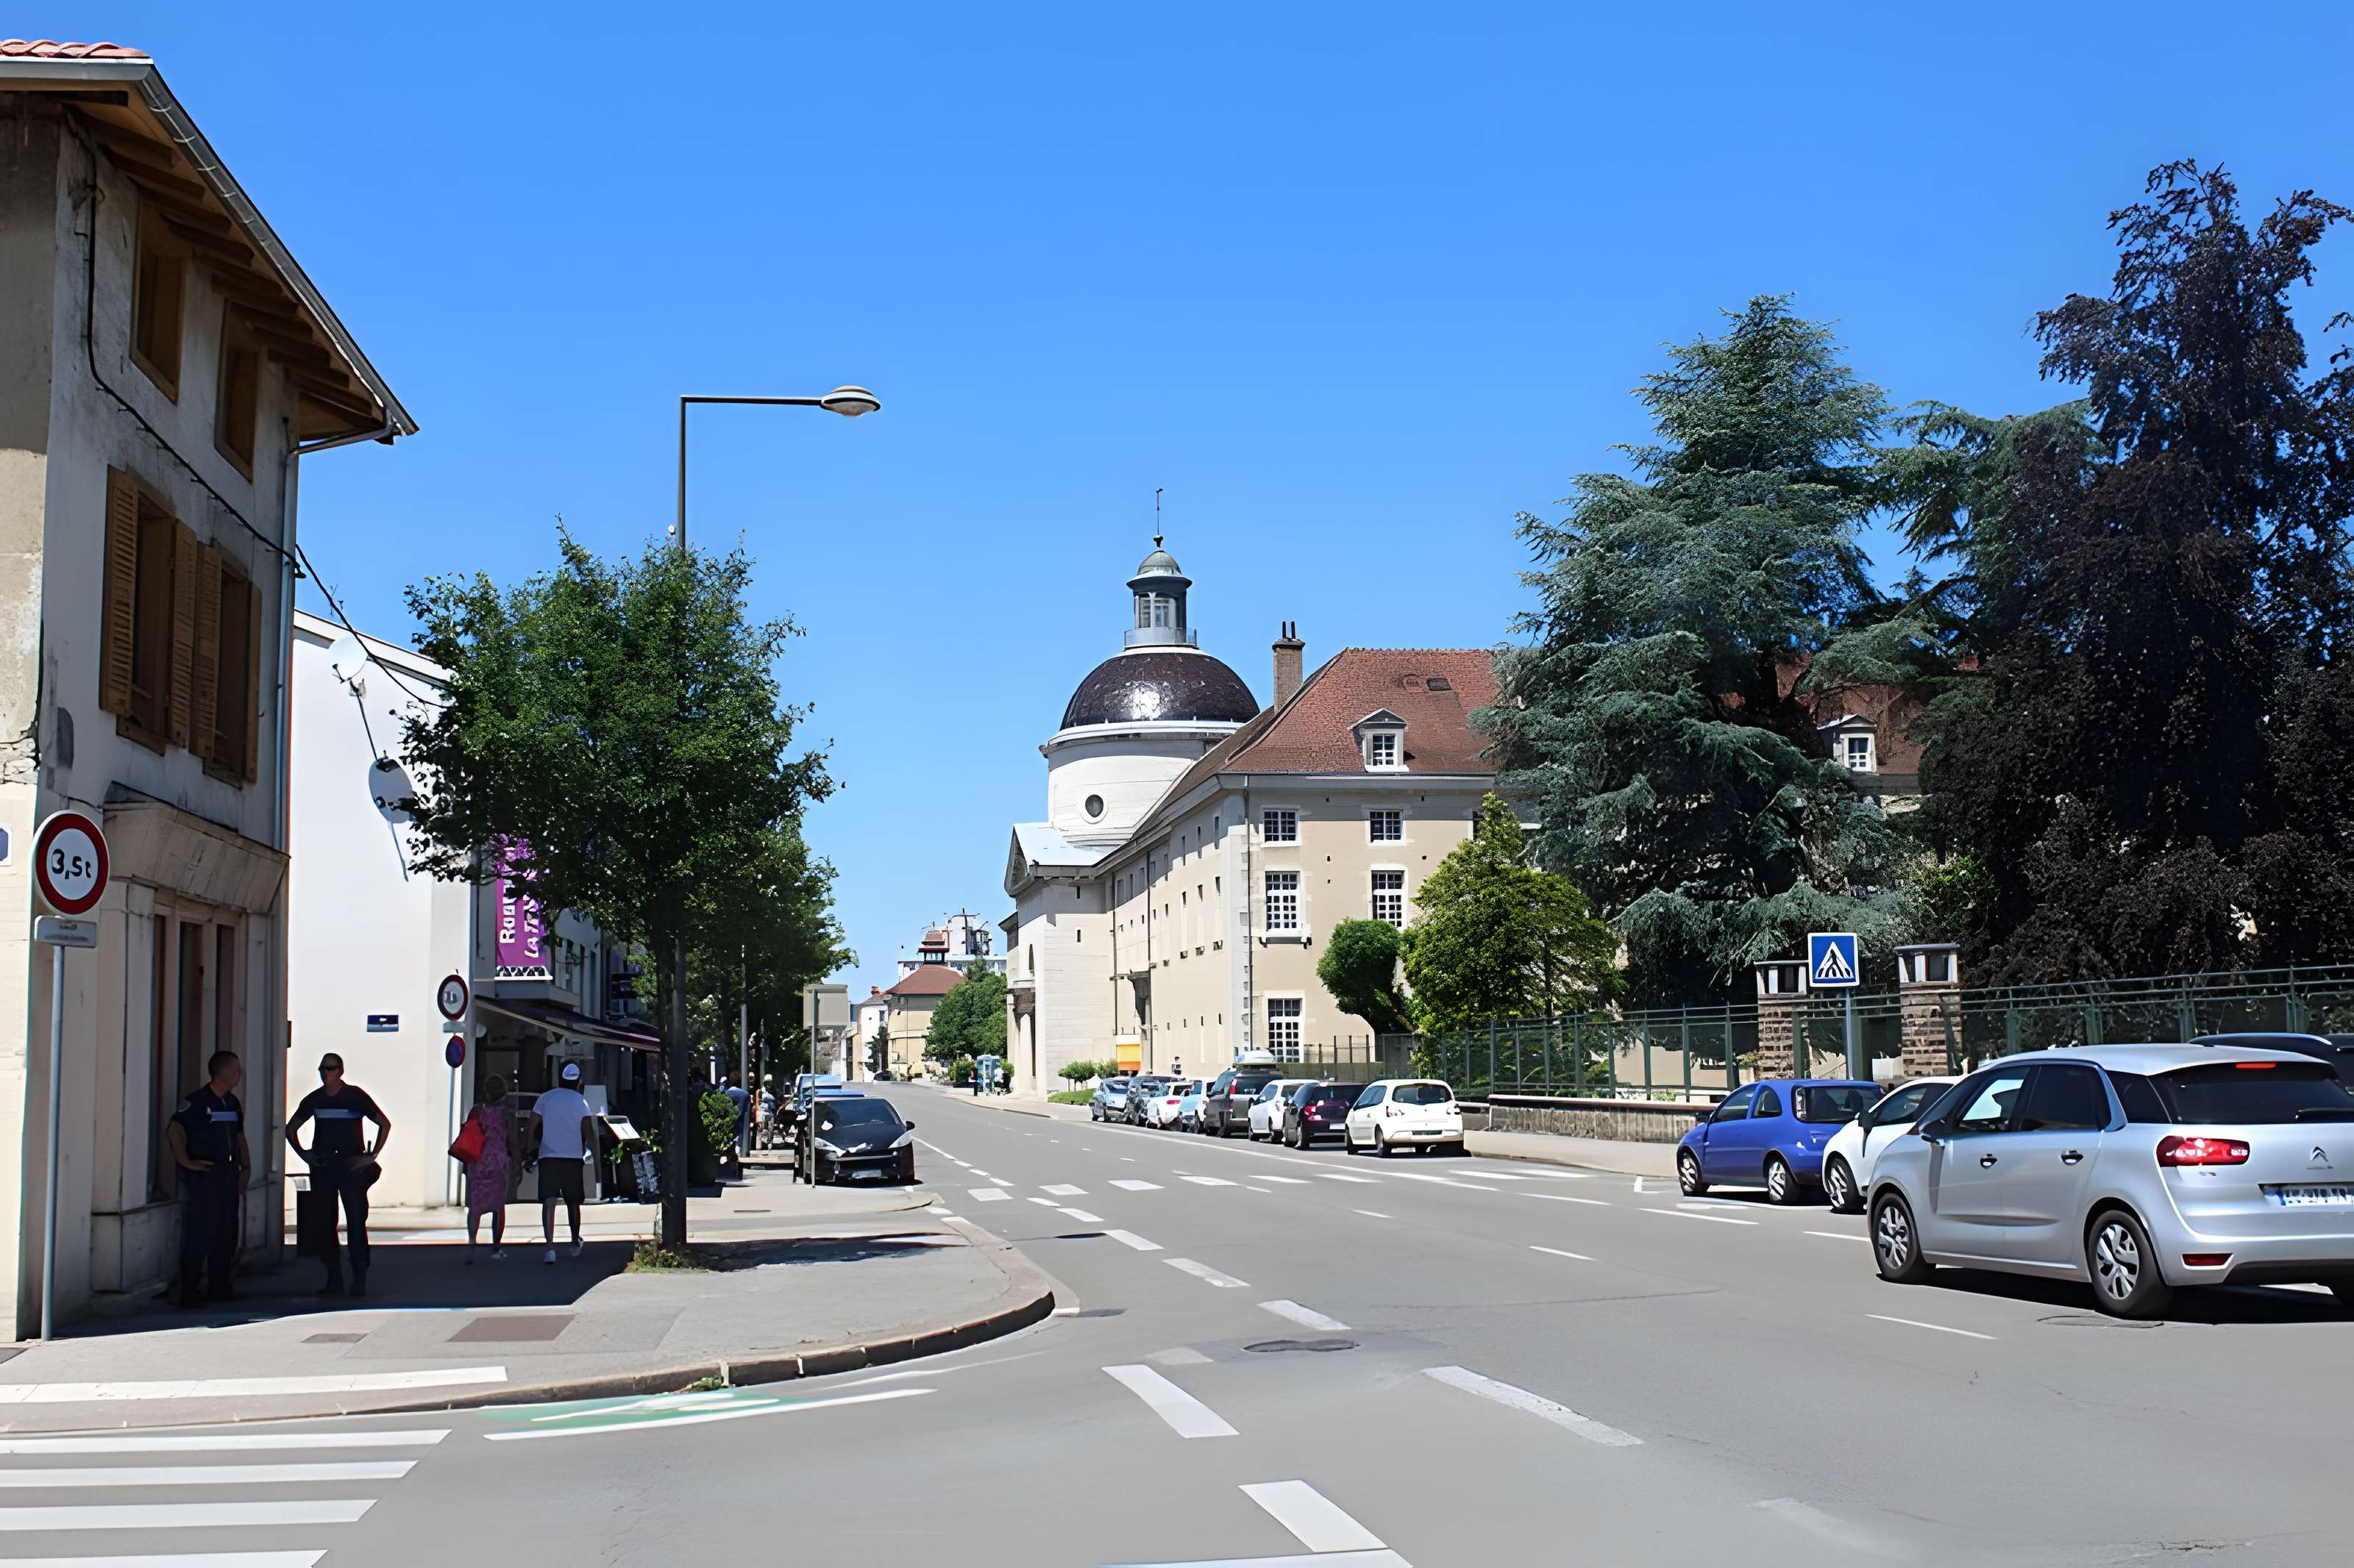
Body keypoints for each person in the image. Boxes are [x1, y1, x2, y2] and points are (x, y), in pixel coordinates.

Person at [288, 1053, 391, 1297]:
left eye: (330, 1068)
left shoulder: (355, 1097)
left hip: (351, 1169)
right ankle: (333, 1278)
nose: (325, 1073)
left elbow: (384, 1124)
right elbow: (290, 1128)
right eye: (322, 1069)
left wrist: (372, 1155)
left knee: (356, 1222)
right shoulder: (315, 1100)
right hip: (324, 1168)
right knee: (325, 1225)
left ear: (341, 1071)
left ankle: (359, 1279)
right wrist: (304, 1155)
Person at [166, 1050, 249, 1307]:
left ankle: (220, 1286)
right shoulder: (197, 1102)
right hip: (205, 1176)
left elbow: (239, 1137)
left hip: (228, 1174)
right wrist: (186, 1162)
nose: (239, 1074)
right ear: (223, 1072)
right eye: (236, 1069)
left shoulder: (232, 1103)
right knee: (200, 1233)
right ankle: (189, 1292)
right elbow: (174, 1130)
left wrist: (246, 1168)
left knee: (226, 1233)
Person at [528, 1062, 596, 1264]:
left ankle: (549, 1248)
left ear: (559, 1077)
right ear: (579, 1080)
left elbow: (532, 1126)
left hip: (548, 1156)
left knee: (549, 1202)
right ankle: (574, 1242)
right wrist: (590, 1150)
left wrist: (528, 1150)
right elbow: (588, 1130)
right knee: (573, 1202)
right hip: (573, 1157)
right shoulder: (581, 1101)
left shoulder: (545, 1099)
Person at [460, 1074, 520, 1263]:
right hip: (499, 1162)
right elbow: (514, 1141)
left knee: (475, 1206)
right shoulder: (507, 1114)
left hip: (478, 1162)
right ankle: (496, 1247)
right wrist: (518, 1163)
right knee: (498, 1206)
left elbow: (467, 1135)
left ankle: (472, 1242)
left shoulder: (476, 1111)